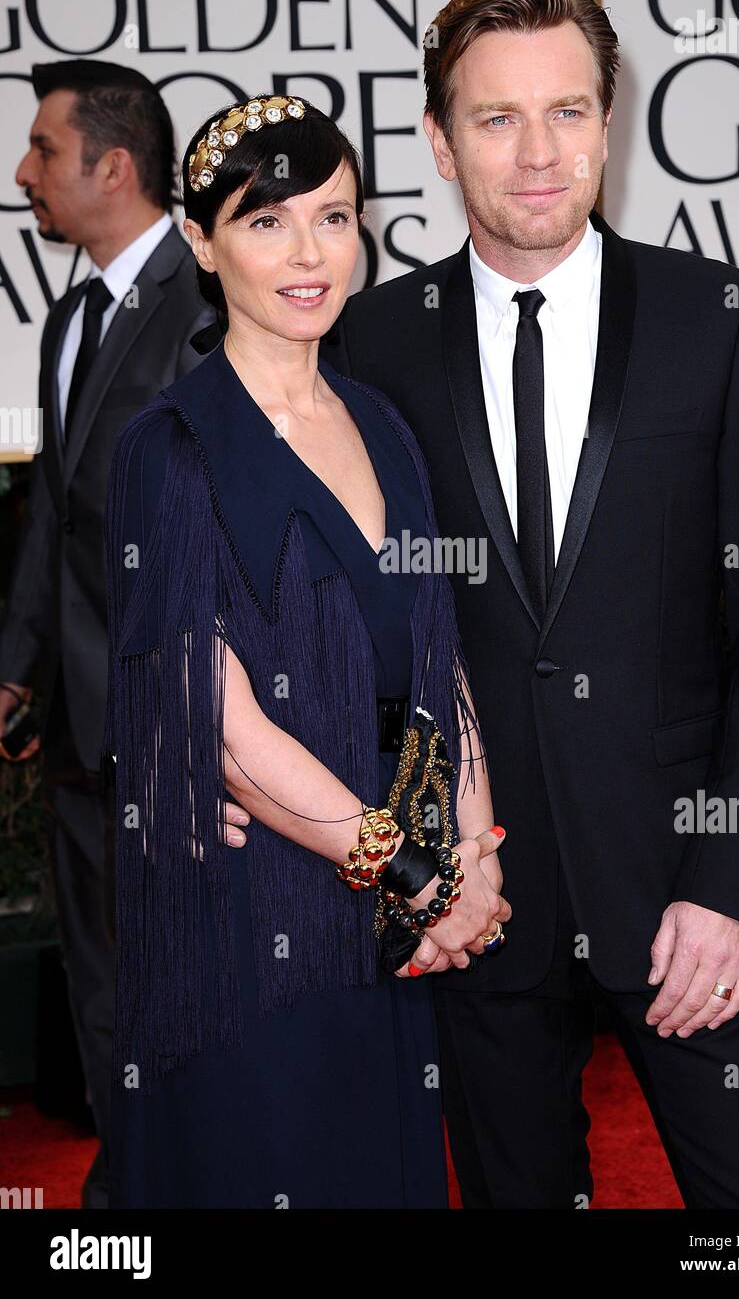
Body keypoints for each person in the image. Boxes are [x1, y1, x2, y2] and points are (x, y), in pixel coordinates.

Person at [314, 0, 739, 1208]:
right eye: (496, 119)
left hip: (683, 896)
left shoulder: (718, 318)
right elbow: (360, 626)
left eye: (568, 112)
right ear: (438, 143)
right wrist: (417, 862)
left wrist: (731, 885)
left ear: (607, 122)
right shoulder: (371, 343)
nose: (538, 154)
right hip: (477, 906)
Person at [102, 92, 509, 1208]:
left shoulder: (381, 421)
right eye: (265, 222)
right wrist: (415, 875)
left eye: (334, 218)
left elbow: (441, 656)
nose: (308, 254)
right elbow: (223, 734)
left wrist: (476, 853)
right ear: (199, 239)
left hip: (389, 915)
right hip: (257, 910)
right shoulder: (170, 447)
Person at [0, 58, 213, 1207]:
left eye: (42, 150)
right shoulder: (70, 316)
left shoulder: (210, 305)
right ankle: (134, 1182)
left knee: (189, 981)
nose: (24, 174)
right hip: (79, 725)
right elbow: (57, 513)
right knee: (101, 981)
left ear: (113, 167)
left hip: (182, 723)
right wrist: (12, 669)